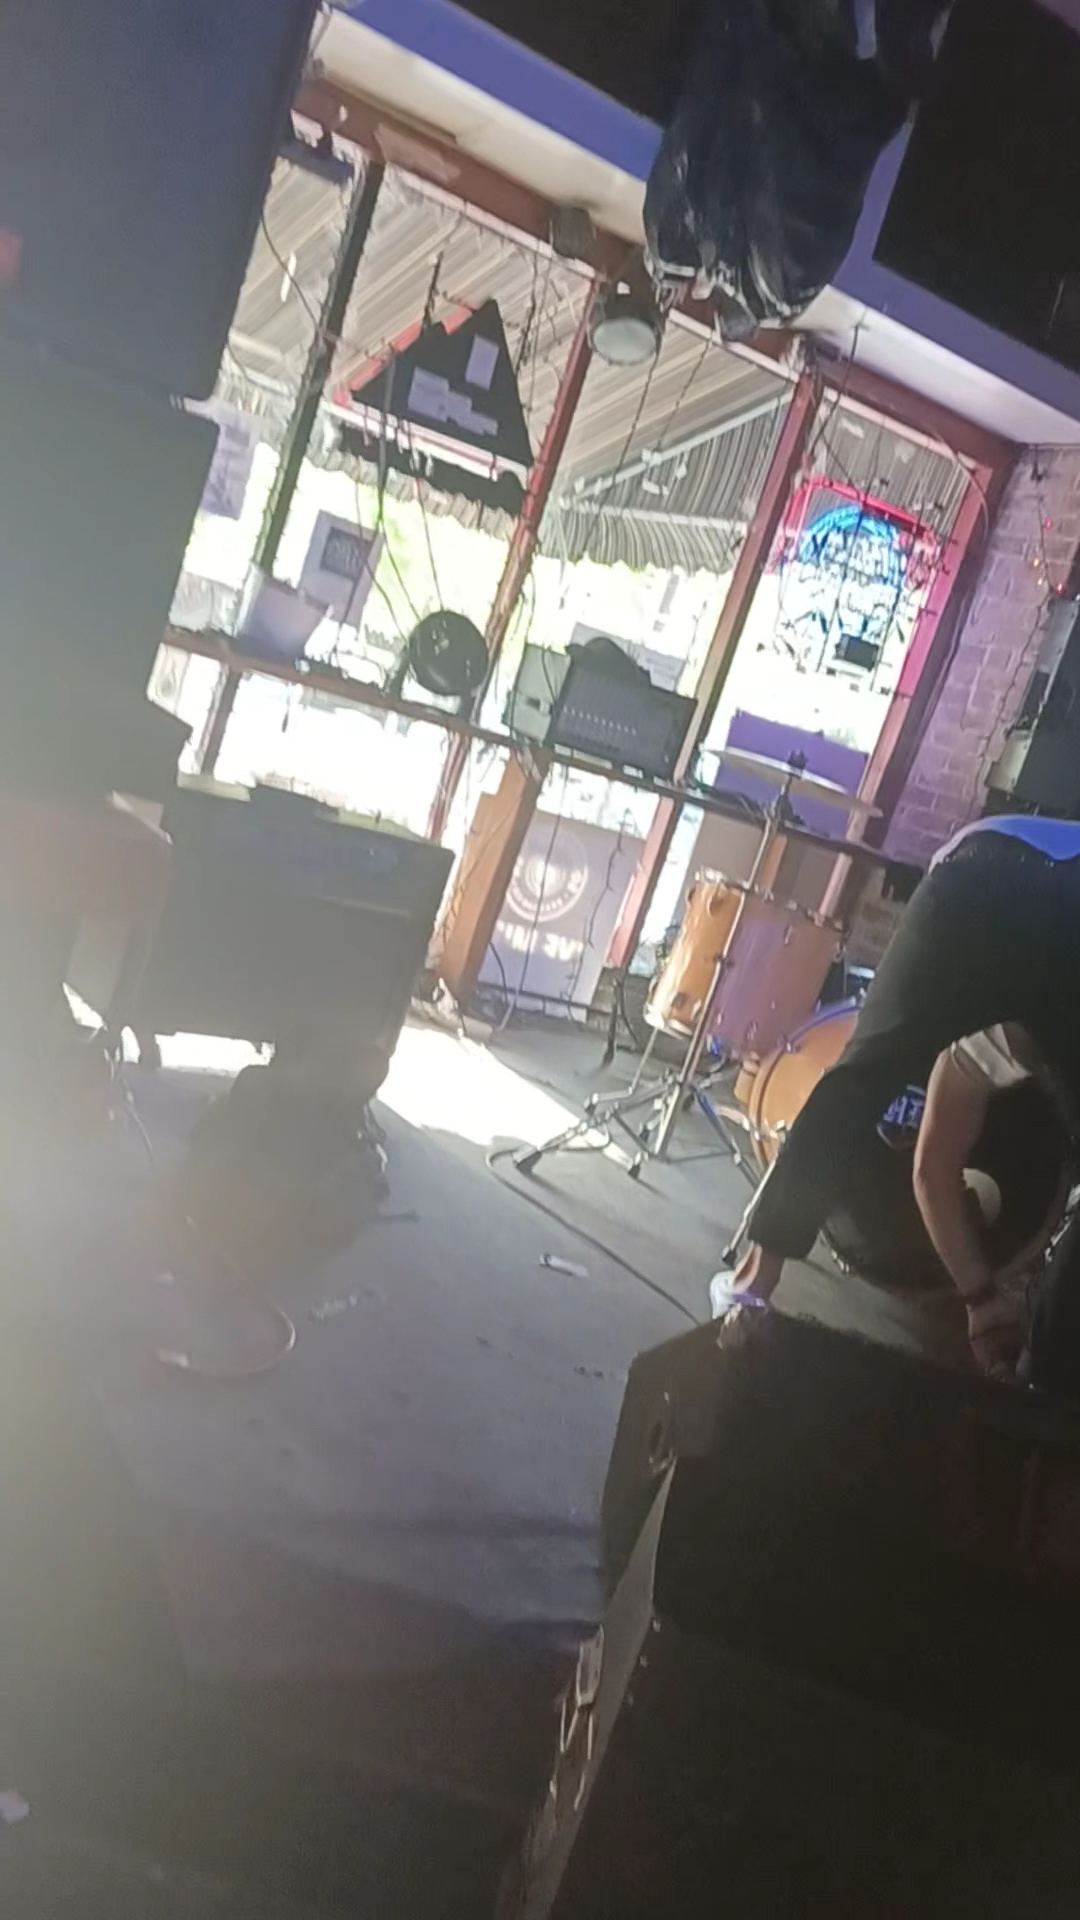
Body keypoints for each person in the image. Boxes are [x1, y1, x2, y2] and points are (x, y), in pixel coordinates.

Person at [716, 813, 1080, 1384]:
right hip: (1023, 893)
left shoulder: (994, 1044)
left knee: (862, 1079)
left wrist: (981, 1300)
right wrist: (984, 1300)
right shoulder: (1023, 1039)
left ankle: (751, 1287)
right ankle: (1049, 1388)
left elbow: (933, 1161)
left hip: (975, 876)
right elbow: (934, 1164)